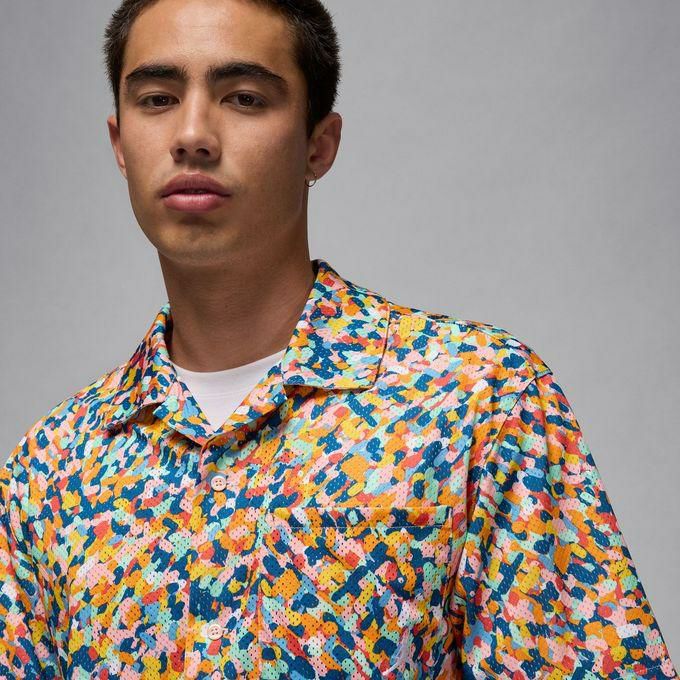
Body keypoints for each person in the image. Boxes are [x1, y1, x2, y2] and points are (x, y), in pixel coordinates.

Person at [0, 0, 676, 678]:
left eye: (243, 97)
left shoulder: (476, 403)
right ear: (120, 144)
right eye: (157, 99)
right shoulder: (49, 473)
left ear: (318, 146)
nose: (193, 134)